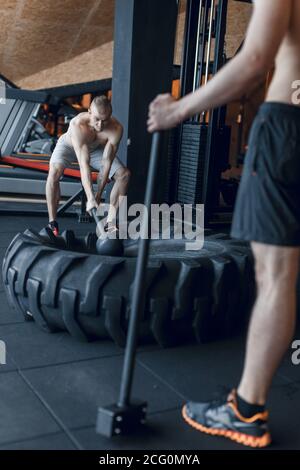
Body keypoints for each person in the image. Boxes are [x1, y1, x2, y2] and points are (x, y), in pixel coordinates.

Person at [148, 0, 300, 448]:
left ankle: (246, 410)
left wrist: (178, 110)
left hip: (288, 127)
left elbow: (254, 61)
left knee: (276, 277)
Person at [46, 95, 130, 235]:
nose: (100, 125)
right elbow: (84, 165)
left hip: (95, 149)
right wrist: (90, 197)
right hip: (68, 146)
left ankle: (109, 223)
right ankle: (52, 223)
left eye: (105, 120)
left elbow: (106, 163)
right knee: (54, 173)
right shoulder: (78, 125)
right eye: (97, 119)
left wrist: (98, 195)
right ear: (89, 111)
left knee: (124, 175)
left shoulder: (116, 129)